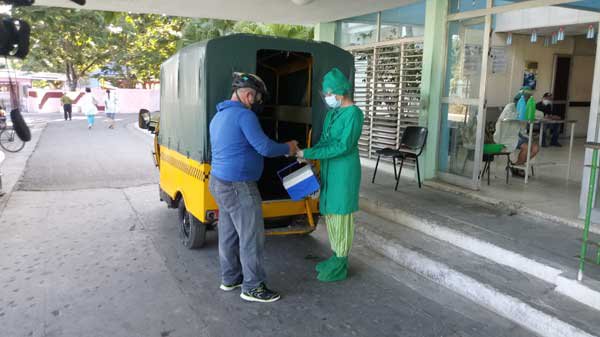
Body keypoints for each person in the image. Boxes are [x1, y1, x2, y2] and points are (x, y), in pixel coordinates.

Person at [208, 72, 298, 303]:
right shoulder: (244, 116)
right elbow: (265, 148)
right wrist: (288, 147)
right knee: (251, 237)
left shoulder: (219, 116)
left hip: (219, 182)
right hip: (239, 187)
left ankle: (230, 278)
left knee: (228, 234)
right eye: (257, 98)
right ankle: (253, 287)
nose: (257, 103)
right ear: (249, 95)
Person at [296, 68, 364, 282]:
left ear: (340, 92)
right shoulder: (332, 114)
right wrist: (308, 155)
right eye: (326, 94)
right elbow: (326, 141)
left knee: (342, 214)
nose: (327, 97)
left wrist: (311, 153)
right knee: (331, 213)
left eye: (329, 93)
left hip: (344, 170)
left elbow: (343, 146)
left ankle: (341, 262)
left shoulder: (354, 114)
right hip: (329, 167)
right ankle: (335, 256)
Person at [494, 88, 539, 177]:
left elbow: (523, 126)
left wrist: (530, 115)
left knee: (535, 148)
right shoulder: (510, 106)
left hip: (519, 136)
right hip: (506, 136)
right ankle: (517, 168)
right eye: (525, 99)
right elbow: (506, 117)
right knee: (526, 147)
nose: (526, 102)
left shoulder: (526, 108)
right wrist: (520, 114)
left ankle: (515, 165)